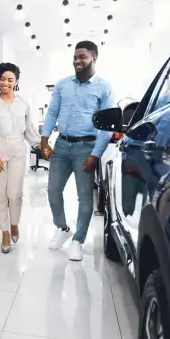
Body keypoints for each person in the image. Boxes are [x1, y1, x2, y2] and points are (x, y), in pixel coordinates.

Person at [40, 40, 115, 261]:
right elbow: (52, 112)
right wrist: (44, 140)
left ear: (94, 58)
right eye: (75, 57)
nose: (77, 61)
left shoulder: (104, 87)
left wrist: (96, 154)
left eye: (82, 57)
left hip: (86, 147)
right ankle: (62, 229)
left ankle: (78, 241)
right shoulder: (63, 84)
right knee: (53, 190)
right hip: (61, 146)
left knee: (84, 197)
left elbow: (107, 125)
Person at [0, 63, 41, 253]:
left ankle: (15, 223)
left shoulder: (23, 104)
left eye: (10, 79)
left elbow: (30, 132)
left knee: (14, 194)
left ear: (16, 82)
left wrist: (42, 146)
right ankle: (5, 232)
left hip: (17, 149)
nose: (5, 83)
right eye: (2, 79)